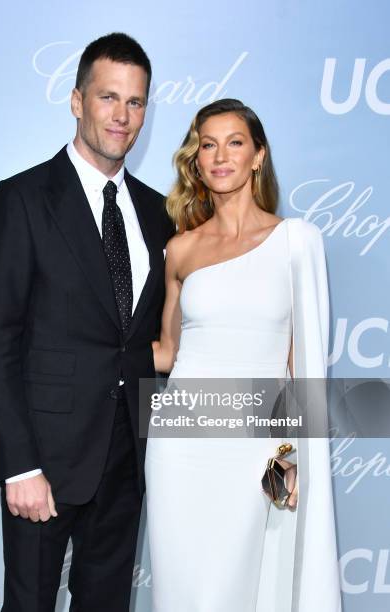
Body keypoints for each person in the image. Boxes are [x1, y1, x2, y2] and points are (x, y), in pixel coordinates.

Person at [0, 32, 173, 612]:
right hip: (46, 463)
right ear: (77, 100)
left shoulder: (160, 214)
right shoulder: (22, 199)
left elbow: (151, 341)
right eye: (108, 97)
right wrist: (19, 466)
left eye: (135, 102)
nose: (121, 116)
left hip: (126, 463)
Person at [146, 99, 342, 611]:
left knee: (244, 588)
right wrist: (81, 341)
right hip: (180, 445)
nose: (220, 156)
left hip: (253, 448)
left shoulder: (297, 241)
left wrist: (289, 454)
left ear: (258, 155)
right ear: (196, 159)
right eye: (207, 145)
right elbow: (168, 353)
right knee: (182, 589)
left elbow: (303, 366)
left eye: (235, 142)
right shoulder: (181, 249)